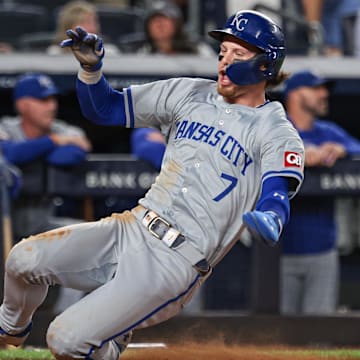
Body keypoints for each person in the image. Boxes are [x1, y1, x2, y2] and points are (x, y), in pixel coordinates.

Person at [0, 10, 304, 359]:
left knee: (66, 340)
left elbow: (277, 188)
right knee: (23, 259)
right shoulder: (189, 92)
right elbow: (107, 109)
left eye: (238, 53)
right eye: (223, 51)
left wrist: (272, 215)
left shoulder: (275, 129)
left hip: (175, 262)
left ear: (266, 66)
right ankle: (10, 327)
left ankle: (109, 346)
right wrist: (90, 71)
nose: (224, 60)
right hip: (133, 227)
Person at [0, 73, 92, 314]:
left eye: (53, 99)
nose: (51, 106)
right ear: (22, 104)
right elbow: (9, 153)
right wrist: (52, 142)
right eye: (43, 100)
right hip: (5, 224)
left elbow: (74, 154)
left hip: (41, 223)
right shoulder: (6, 127)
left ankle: (66, 322)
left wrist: (32, 152)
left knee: (85, 240)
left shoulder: (64, 129)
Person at [280, 70, 360, 315]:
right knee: (275, 337)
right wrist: (302, 154)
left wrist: (341, 149)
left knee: (318, 335)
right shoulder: (276, 126)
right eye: (315, 89)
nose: (323, 94)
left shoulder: (327, 132)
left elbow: (356, 148)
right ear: (295, 94)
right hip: (276, 255)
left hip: (322, 251)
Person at [136, 0, 215, 56]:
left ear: (177, 24)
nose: (159, 24)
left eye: (164, 18)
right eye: (154, 20)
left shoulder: (198, 49)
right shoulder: (143, 53)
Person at [47, 0, 120, 55]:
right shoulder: (55, 54)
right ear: (68, 26)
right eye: (84, 23)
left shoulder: (109, 53)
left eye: (94, 22)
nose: (92, 28)